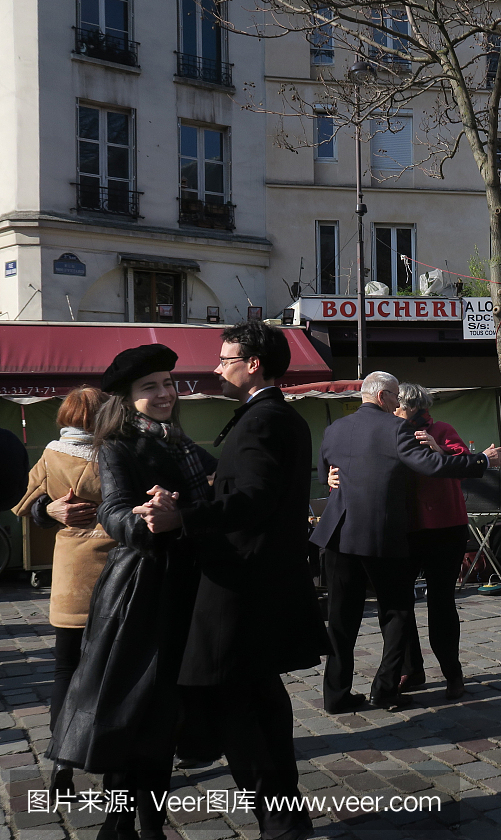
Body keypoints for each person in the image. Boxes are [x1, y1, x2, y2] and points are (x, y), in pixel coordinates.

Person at [131, 323, 330, 839]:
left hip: (243, 586)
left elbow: (254, 499)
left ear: (253, 364)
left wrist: (183, 518)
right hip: (261, 580)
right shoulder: (276, 416)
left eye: (225, 359)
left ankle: (279, 821)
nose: (217, 368)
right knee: (260, 696)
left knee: (236, 703)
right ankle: (287, 816)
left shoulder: (262, 420)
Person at [48, 345, 218, 840]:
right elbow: (113, 508)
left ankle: (149, 826)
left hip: (185, 590)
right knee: (131, 715)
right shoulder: (118, 445)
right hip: (140, 595)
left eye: (168, 383)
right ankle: (122, 824)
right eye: (150, 387)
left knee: (163, 718)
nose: (165, 394)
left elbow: (218, 487)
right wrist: (144, 520)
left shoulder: (181, 444)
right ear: (126, 399)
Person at [313, 372, 501, 712]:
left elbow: (325, 469)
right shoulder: (394, 428)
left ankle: (341, 695)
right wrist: (483, 460)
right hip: (387, 533)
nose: (398, 407)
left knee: (348, 618)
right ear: (385, 397)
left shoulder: (338, 428)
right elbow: (426, 466)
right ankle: (392, 682)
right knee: (396, 611)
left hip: (365, 533)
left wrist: (331, 478)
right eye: (395, 399)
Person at [14, 387, 116, 797]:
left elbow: (22, 503)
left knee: (65, 669)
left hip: (72, 574)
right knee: (113, 670)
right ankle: (111, 761)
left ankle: (61, 759)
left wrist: (48, 508)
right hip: (118, 570)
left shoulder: (53, 454)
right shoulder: (115, 453)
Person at [393, 382, 490, 699]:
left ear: (411, 407)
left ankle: (452, 672)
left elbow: (464, 467)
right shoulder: (392, 433)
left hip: (445, 527)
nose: (393, 411)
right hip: (406, 528)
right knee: (400, 602)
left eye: (397, 405)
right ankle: (411, 669)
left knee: (441, 602)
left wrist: (439, 448)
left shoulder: (442, 429)